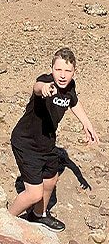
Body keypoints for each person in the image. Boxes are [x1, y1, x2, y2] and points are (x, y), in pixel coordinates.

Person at [8, 48, 99, 231]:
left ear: (74, 72)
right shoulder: (47, 82)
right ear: (51, 69)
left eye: (67, 71)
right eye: (58, 70)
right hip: (26, 142)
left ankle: (38, 215)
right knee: (34, 194)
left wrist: (86, 123)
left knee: (50, 179)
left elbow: (74, 102)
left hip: (47, 143)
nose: (63, 76)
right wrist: (44, 88)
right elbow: (37, 87)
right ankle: (4, 220)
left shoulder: (70, 87)